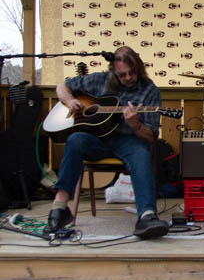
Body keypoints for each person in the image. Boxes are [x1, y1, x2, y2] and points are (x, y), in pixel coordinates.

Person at [45, 46, 169, 239]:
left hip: (129, 141)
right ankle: (59, 208)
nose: (128, 77)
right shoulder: (99, 80)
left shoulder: (149, 90)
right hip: (97, 140)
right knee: (75, 139)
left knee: (142, 153)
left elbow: (151, 136)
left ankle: (147, 216)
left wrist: (136, 125)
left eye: (132, 72)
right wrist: (69, 101)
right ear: (113, 72)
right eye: (122, 75)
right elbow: (62, 87)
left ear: (139, 68)